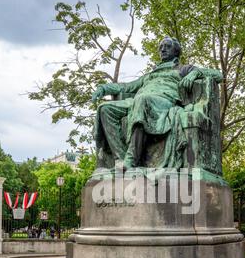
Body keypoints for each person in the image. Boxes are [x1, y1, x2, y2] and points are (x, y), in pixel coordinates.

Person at [92, 36, 222, 170]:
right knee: (104, 109)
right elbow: (126, 87)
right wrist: (103, 88)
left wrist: (194, 74)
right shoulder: (149, 75)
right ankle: (120, 158)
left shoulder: (182, 69)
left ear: (176, 51)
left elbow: (218, 75)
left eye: (167, 46)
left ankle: (131, 160)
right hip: (137, 102)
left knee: (142, 100)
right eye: (160, 47)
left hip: (163, 102)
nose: (163, 49)